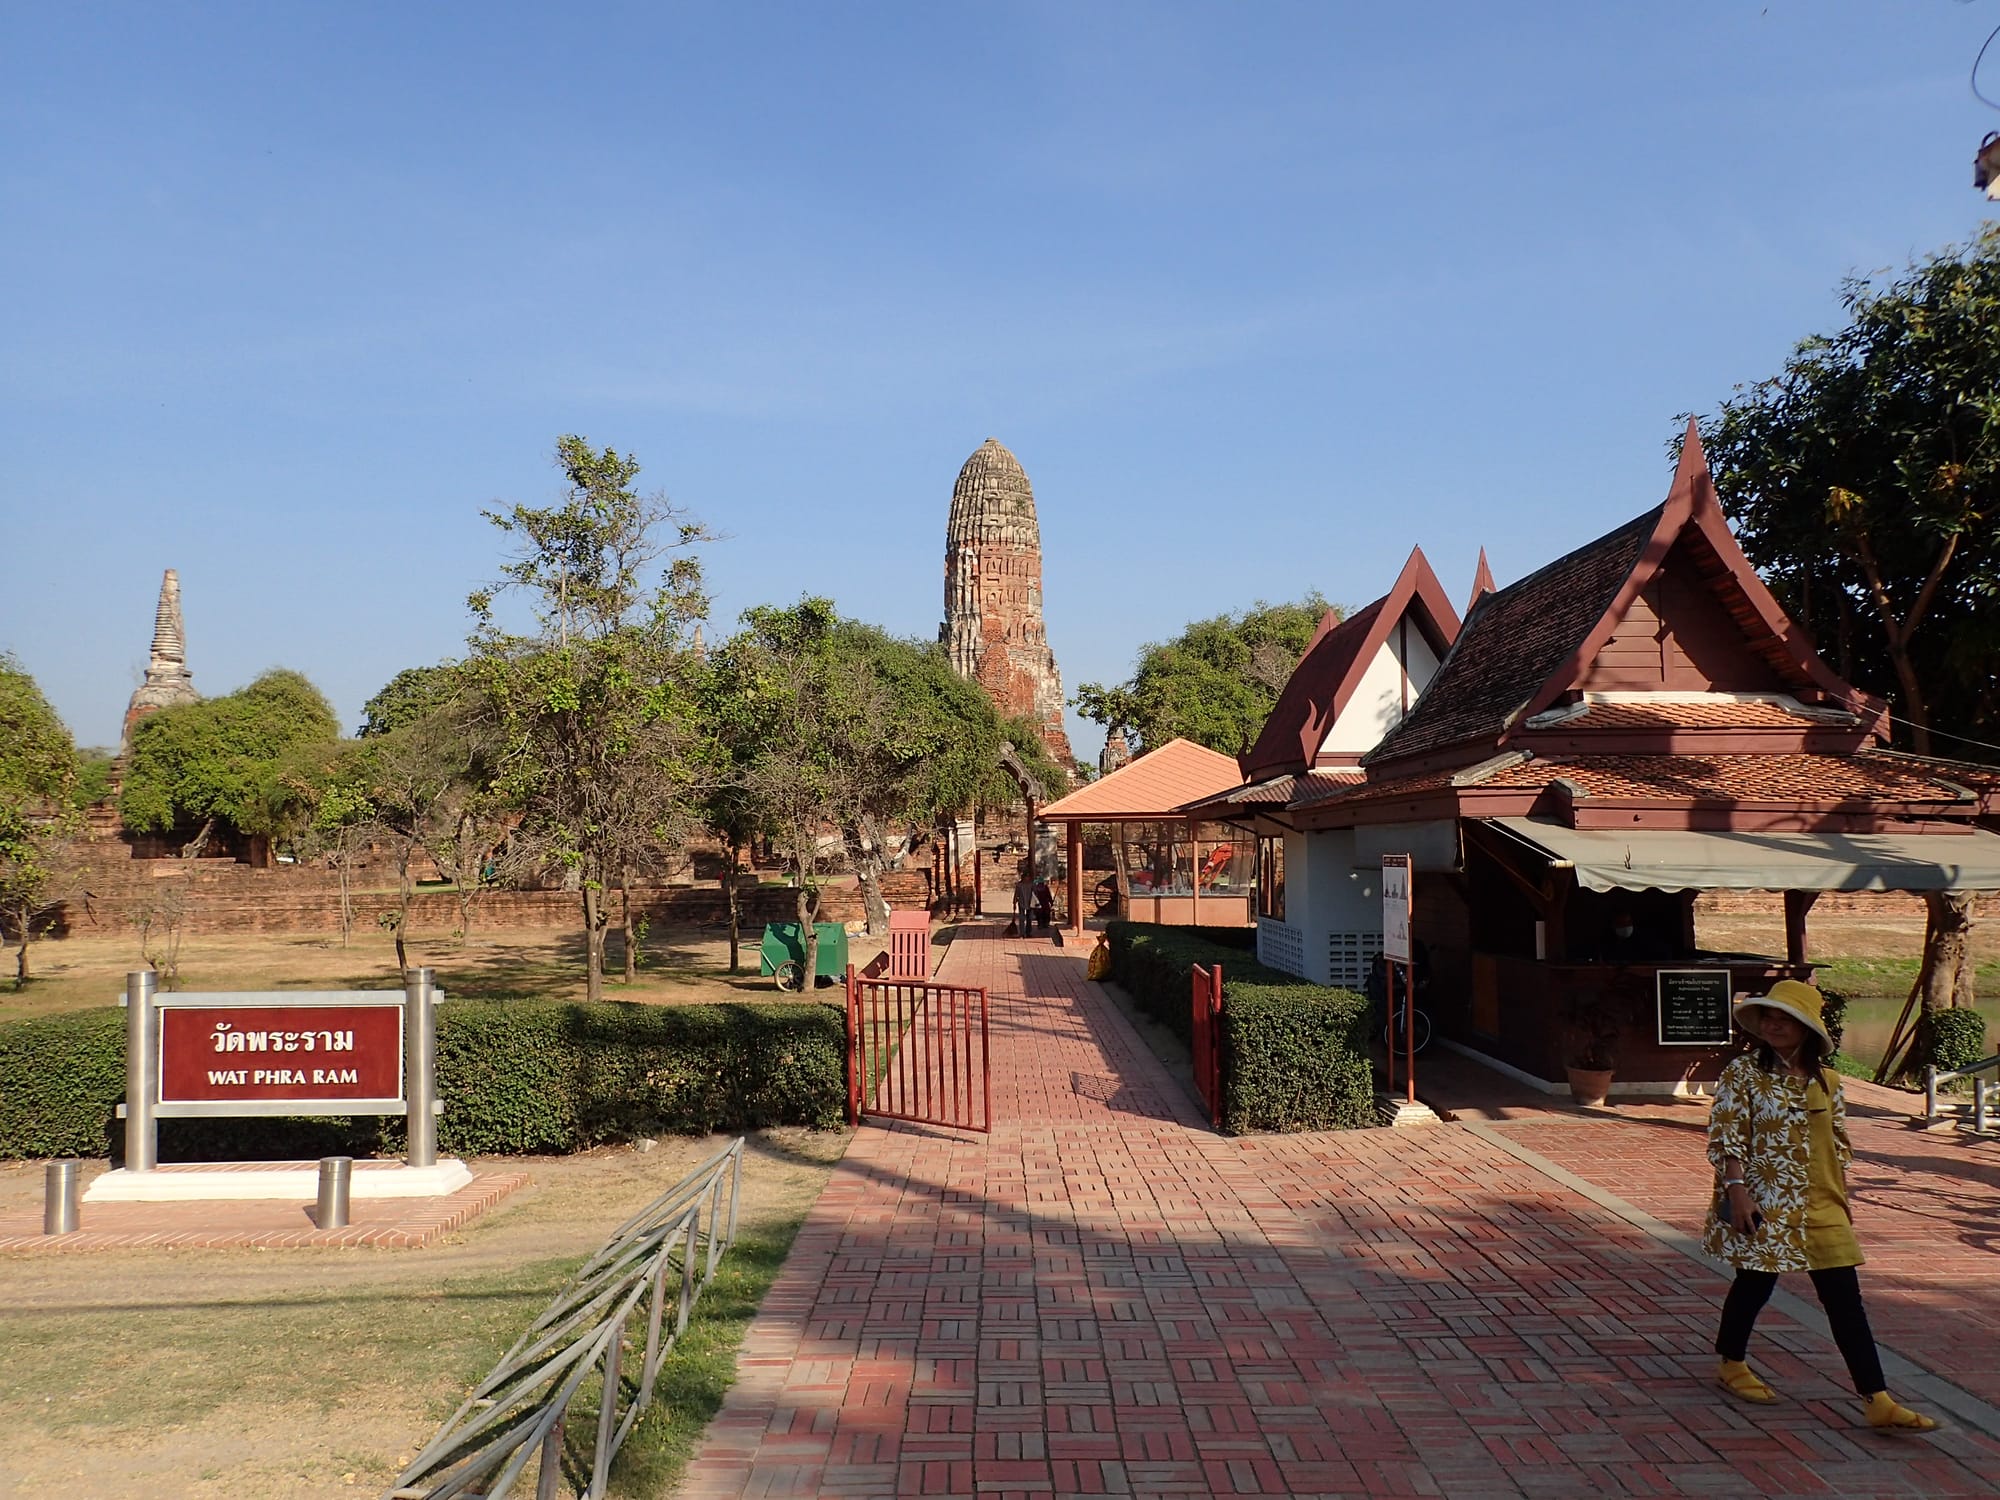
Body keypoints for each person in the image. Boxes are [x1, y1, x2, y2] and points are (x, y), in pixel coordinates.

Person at [1703, 979, 1937, 1430]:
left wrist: (1838, 1191)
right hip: (1762, 1200)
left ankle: (1877, 1397)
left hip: (1822, 1204)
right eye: (1767, 1016)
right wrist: (1737, 1189)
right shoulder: (1743, 1073)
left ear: (1806, 1028)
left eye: (1783, 1018)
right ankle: (1731, 1361)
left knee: (1845, 1300)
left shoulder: (1827, 1080)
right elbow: (1727, 1135)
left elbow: (1839, 1142)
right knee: (1755, 1284)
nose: (1772, 1024)